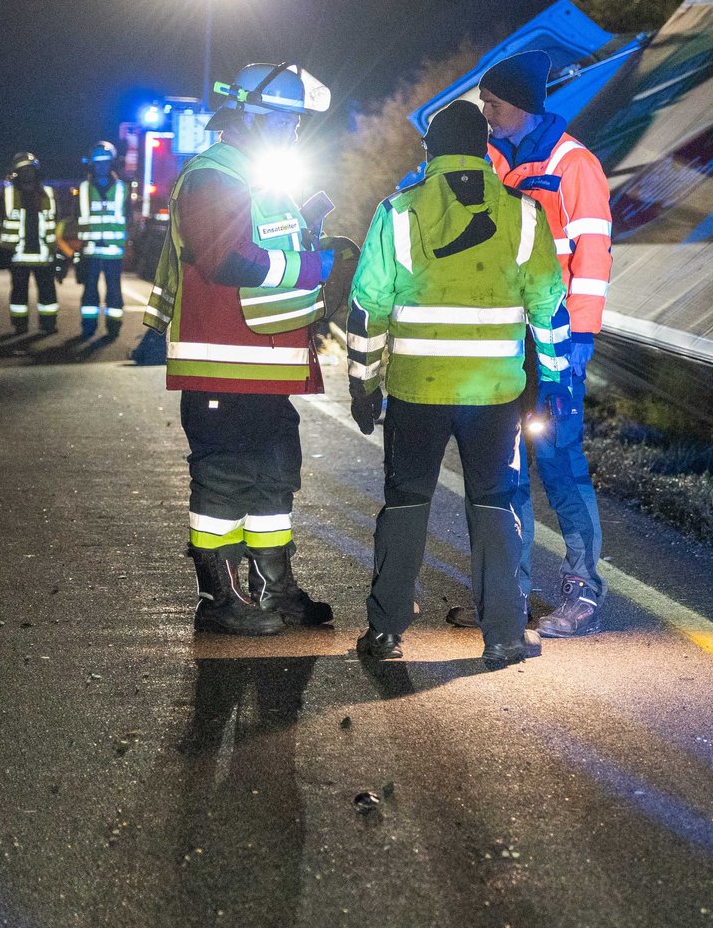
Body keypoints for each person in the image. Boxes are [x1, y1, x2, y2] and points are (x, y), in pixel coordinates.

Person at [347, 102, 566, 670]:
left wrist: (363, 384)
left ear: (430, 152)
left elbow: (369, 307)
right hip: (494, 395)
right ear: (485, 149)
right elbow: (548, 306)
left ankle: (387, 630)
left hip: (416, 392)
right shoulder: (524, 214)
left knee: (405, 503)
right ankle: (503, 635)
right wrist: (555, 380)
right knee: (494, 506)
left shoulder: (397, 212)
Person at [164, 63, 345, 636]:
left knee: (273, 478)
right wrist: (316, 265)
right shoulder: (213, 175)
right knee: (223, 481)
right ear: (255, 117)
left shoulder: (258, 178)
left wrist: (310, 229)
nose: (293, 132)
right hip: (223, 368)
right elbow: (227, 260)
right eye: (288, 121)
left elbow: (262, 248)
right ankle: (219, 601)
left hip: (265, 370)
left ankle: (275, 591)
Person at [444, 51, 612, 639]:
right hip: (500, 343)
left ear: (521, 104)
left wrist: (580, 338)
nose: (484, 111)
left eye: (492, 102)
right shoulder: (488, 159)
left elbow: (592, 258)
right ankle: (507, 596)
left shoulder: (574, 164)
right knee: (504, 466)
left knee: (561, 464)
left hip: (557, 342)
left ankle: (582, 591)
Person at [0, 153, 62, 333]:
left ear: (36, 171)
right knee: (19, 293)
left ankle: (48, 324)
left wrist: (56, 250)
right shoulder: (8, 193)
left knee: (47, 293)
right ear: (17, 173)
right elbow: (0, 219)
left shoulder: (48, 193)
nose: (27, 173)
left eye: (30, 169)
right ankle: (20, 326)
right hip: (18, 255)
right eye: (23, 170)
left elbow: (56, 221)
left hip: (44, 255)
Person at [75, 140, 129, 339]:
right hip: (90, 251)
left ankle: (113, 327)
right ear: (92, 164)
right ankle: (88, 327)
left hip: (113, 252)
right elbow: (77, 219)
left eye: (105, 162)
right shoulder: (84, 188)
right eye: (97, 163)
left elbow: (127, 218)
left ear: (111, 164)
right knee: (90, 292)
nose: (101, 166)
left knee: (114, 291)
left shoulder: (122, 188)